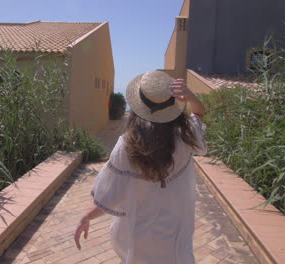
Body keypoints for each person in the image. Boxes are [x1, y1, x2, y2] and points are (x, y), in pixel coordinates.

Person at [74, 70, 207, 264]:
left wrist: (86, 216)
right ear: (173, 105)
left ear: (138, 106)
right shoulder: (187, 136)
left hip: (137, 241)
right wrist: (190, 96)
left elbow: (111, 196)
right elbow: (199, 113)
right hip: (176, 242)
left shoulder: (128, 144)